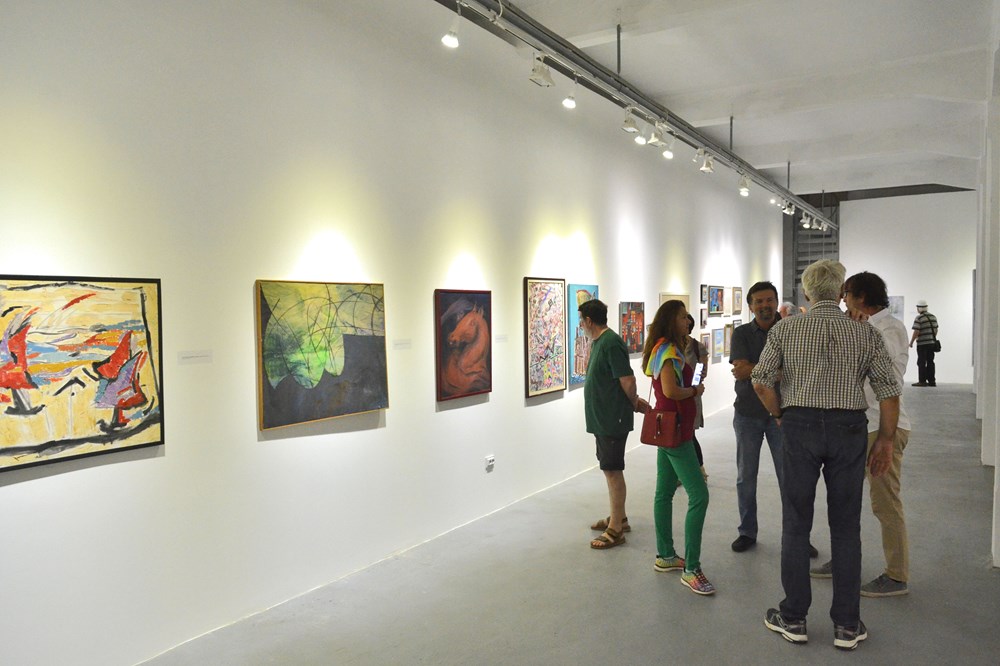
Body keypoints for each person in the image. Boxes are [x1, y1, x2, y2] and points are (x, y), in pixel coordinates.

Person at [752, 260, 901, 651]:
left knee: (796, 523)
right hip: (848, 429)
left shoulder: (785, 329)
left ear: (806, 292)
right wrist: (886, 440)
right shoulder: (864, 332)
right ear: (839, 293)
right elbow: (889, 392)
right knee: (846, 526)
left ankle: (794, 617)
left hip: (799, 425)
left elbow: (761, 381)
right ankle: (847, 625)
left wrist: (780, 414)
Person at [811, 272, 912, 597]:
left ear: (862, 297)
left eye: (847, 295)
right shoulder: (862, 325)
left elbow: (885, 372)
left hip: (882, 427)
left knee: (885, 502)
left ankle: (896, 575)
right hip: (858, 424)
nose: (843, 301)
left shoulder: (890, 328)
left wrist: (859, 328)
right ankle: (843, 559)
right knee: (844, 498)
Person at [729, 282, 818, 557]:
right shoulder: (742, 333)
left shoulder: (793, 329)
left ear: (776, 301)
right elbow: (740, 370)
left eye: (769, 300)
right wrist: (776, 370)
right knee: (746, 477)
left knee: (790, 479)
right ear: (750, 306)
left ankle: (797, 537)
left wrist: (757, 369)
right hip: (748, 414)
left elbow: (798, 368)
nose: (764, 305)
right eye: (759, 301)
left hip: (784, 415)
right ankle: (747, 531)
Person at [642, 300, 714, 595]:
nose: (688, 321)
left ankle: (665, 555)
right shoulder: (669, 351)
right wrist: (695, 389)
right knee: (700, 496)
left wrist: (694, 378)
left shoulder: (663, 349)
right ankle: (691, 569)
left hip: (667, 427)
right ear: (672, 320)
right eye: (684, 317)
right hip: (677, 431)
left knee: (664, 493)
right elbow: (671, 391)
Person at [580, 299, 649, 550]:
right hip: (603, 417)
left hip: (612, 418)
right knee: (609, 469)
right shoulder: (600, 342)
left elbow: (628, 380)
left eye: (582, 321)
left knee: (612, 471)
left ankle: (616, 529)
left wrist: (634, 402)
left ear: (589, 321)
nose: (581, 325)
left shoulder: (611, 342)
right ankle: (619, 517)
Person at [684, 313, 709, 478]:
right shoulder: (671, 346)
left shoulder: (696, 347)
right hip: (676, 396)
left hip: (692, 395)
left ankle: (700, 470)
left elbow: (701, 373)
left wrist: (689, 387)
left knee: (690, 435)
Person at [909, 299, 939, 387]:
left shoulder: (919, 318)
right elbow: (936, 330)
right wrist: (931, 338)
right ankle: (932, 381)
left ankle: (922, 381)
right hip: (931, 343)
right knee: (930, 361)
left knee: (921, 362)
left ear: (919, 308)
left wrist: (911, 342)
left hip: (922, 344)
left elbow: (916, 331)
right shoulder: (933, 317)